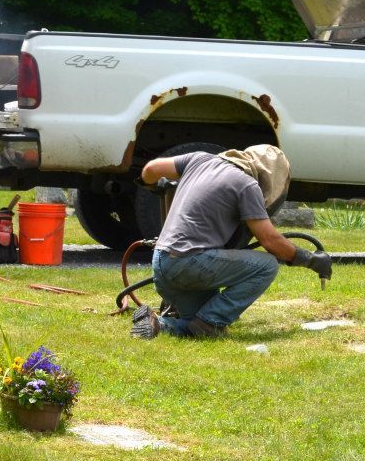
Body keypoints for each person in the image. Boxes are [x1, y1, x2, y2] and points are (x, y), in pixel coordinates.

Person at [131, 144, 330, 339]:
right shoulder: (247, 185)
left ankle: (157, 324)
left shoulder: (199, 159)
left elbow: (151, 169)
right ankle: (210, 321)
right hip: (189, 264)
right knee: (267, 266)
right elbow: (270, 241)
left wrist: (150, 185)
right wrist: (310, 259)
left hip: (160, 262)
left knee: (194, 324)